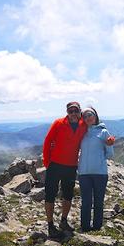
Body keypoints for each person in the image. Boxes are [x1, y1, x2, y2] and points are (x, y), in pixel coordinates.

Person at [42, 101, 87, 238]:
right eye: (70, 111)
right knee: (50, 194)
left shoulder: (83, 125)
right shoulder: (58, 123)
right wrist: (47, 162)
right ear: (67, 112)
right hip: (55, 165)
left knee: (68, 195)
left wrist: (109, 139)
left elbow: (96, 127)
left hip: (71, 166)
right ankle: (50, 225)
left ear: (80, 112)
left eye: (76, 111)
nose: (73, 114)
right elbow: (48, 141)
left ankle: (63, 221)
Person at [78, 107, 115, 232]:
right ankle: (85, 227)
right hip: (83, 173)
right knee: (86, 201)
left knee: (98, 201)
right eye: (85, 116)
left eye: (90, 115)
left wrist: (99, 158)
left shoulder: (103, 132)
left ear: (95, 116)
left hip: (100, 173)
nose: (88, 118)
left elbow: (110, 154)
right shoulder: (81, 132)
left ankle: (97, 227)